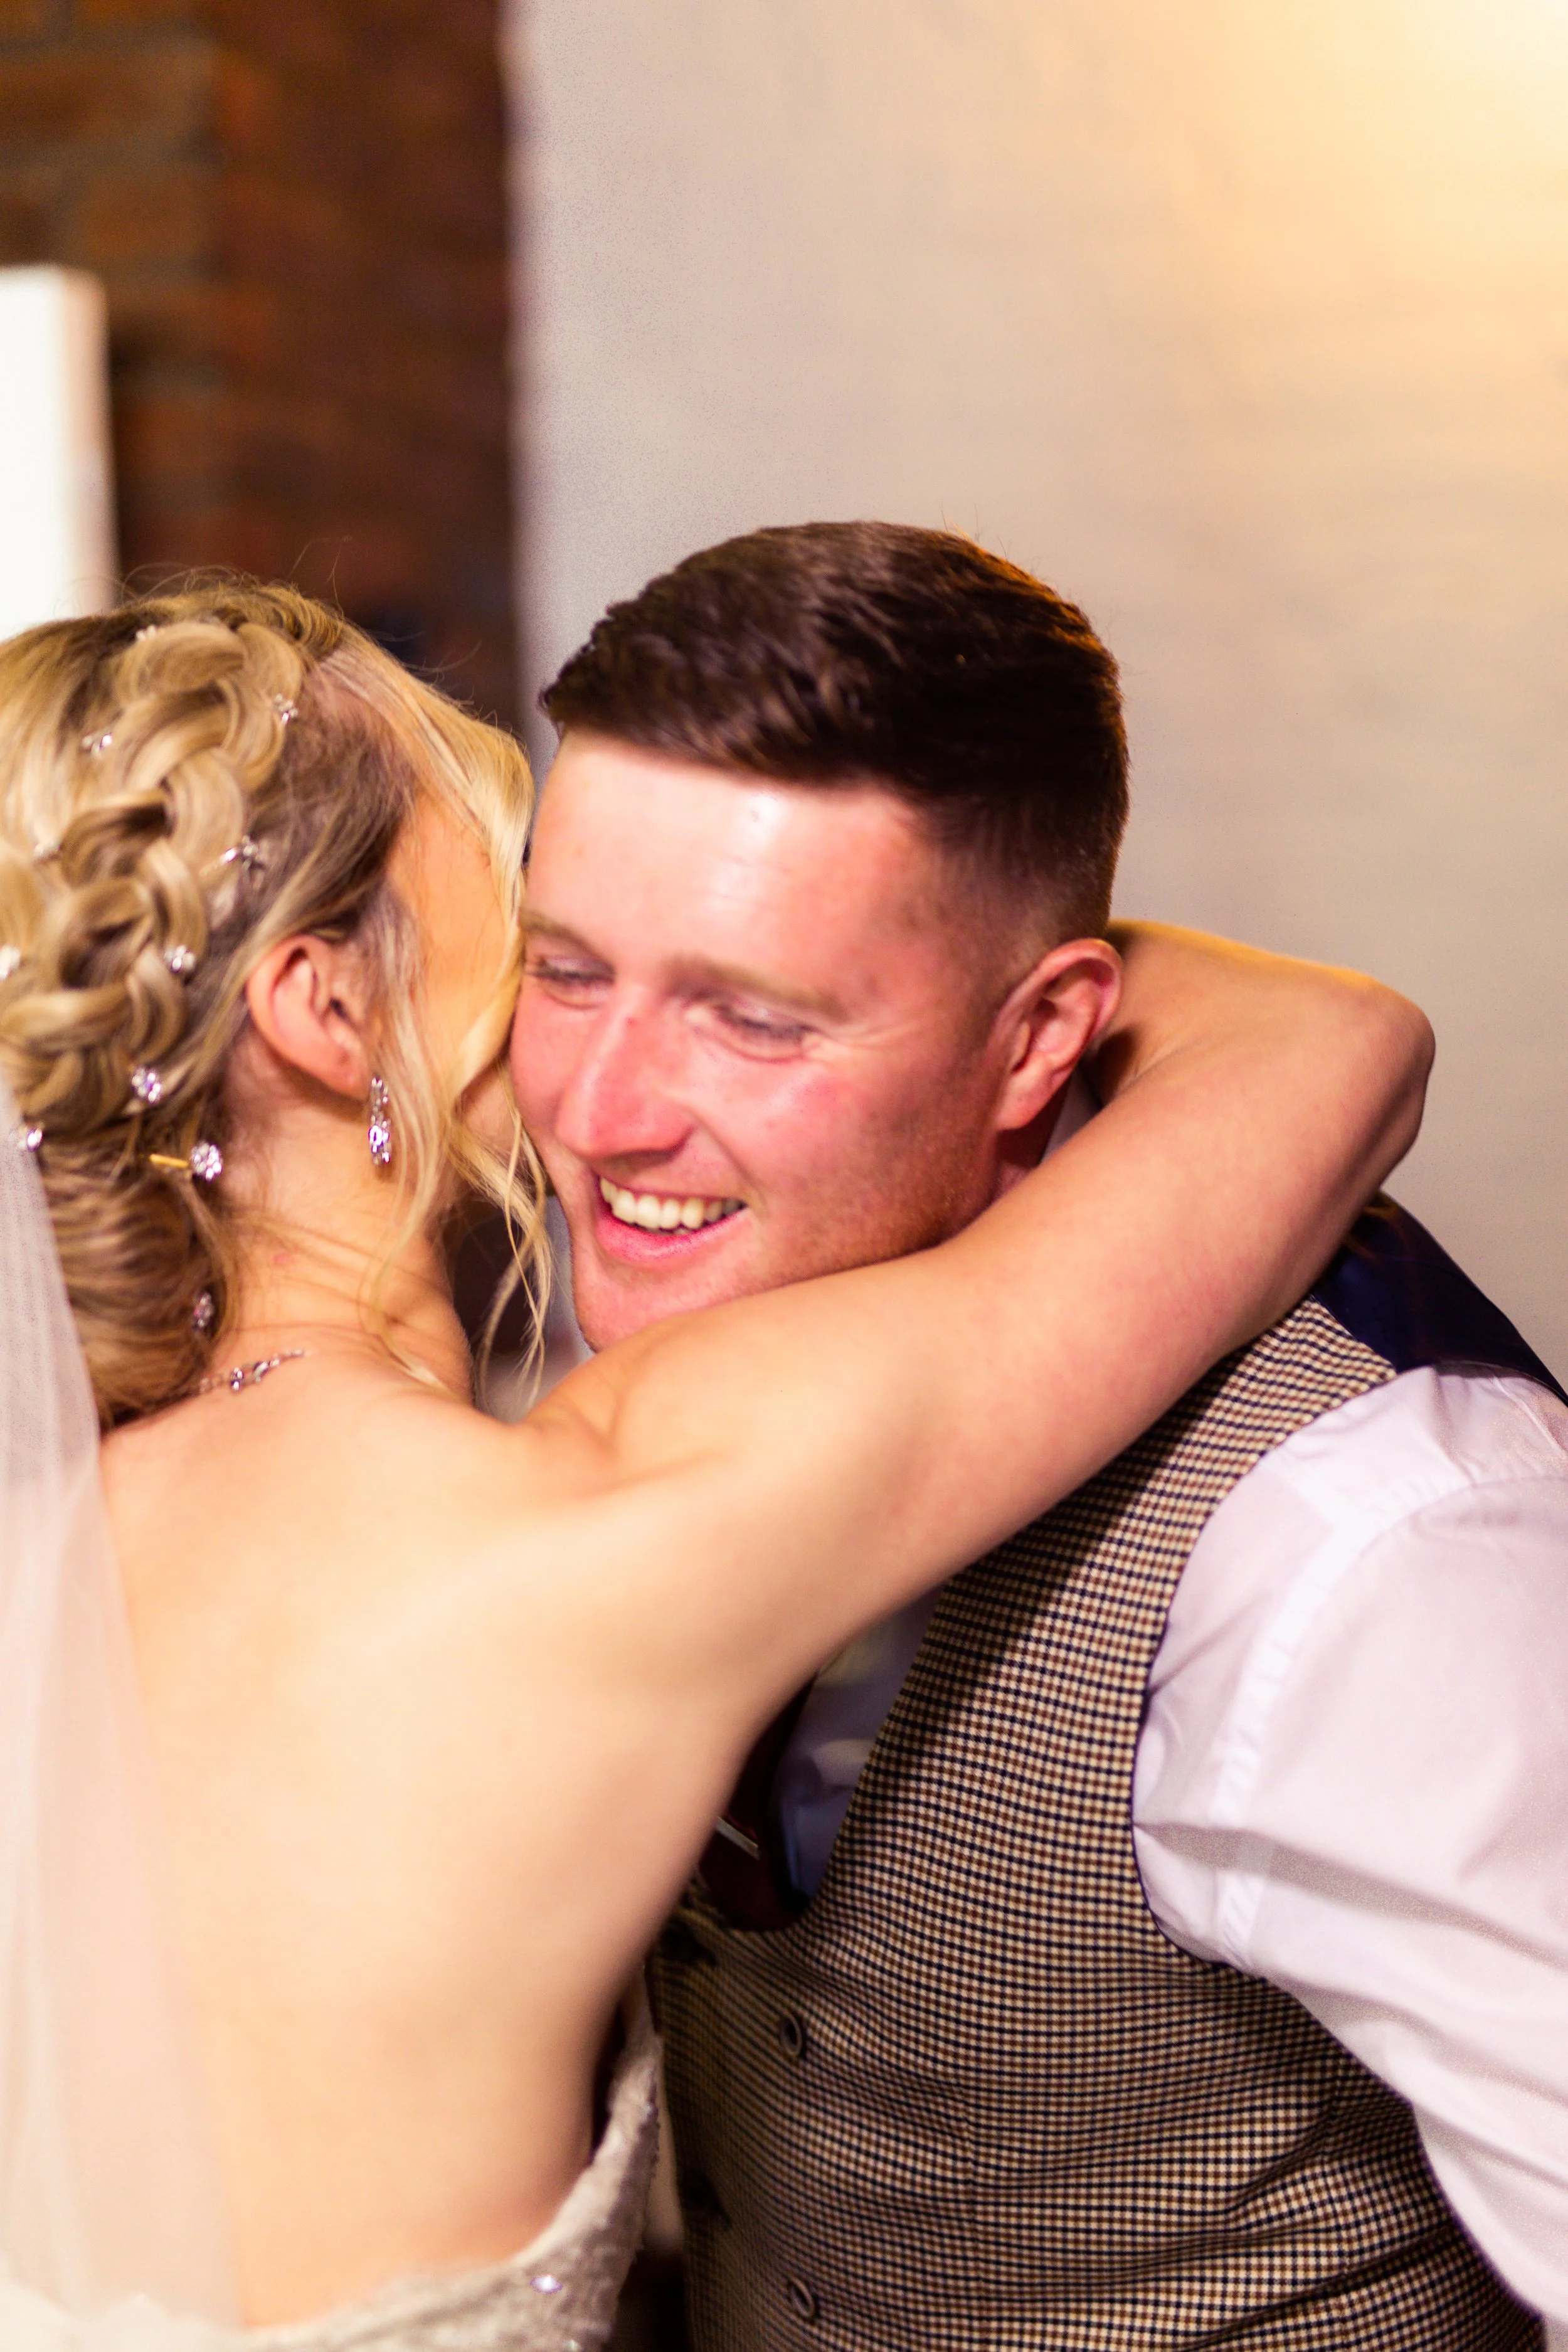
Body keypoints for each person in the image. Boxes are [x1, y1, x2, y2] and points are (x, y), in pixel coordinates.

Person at [0, 578, 1423, 2350]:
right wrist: (947, 930)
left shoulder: (48, 1539)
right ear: (325, 1007)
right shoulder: (586, 1529)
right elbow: (1337, 1045)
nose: (586, 992)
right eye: (541, 920)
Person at [515, 520, 1568, 2351]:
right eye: (568, 970)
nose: (601, 1114)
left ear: (1040, 1041)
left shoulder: (1366, 1544)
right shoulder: (622, 1314)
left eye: (752, 1017)